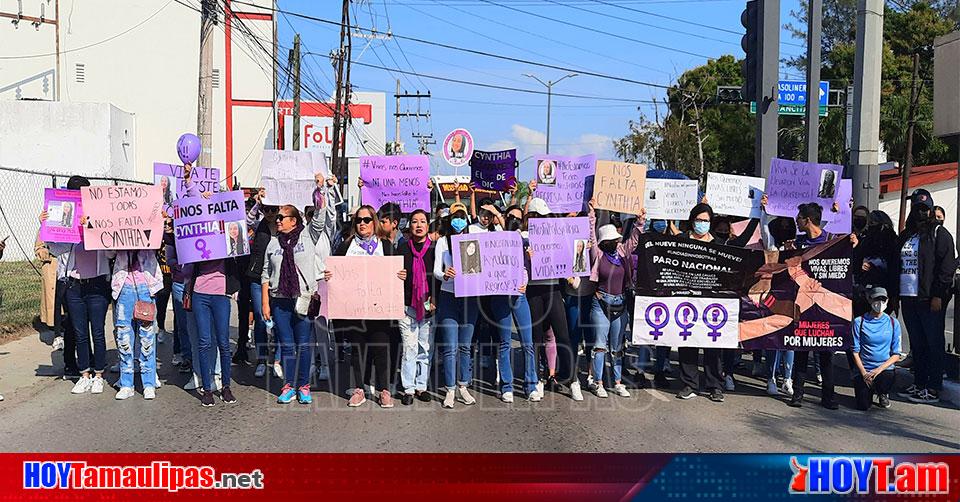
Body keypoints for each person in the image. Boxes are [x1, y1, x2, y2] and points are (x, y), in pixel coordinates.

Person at [41, 175, 111, 396]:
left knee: (97, 332)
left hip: (97, 284)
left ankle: (99, 374)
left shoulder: (100, 215)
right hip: (74, 285)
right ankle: (84, 374)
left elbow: (110, 251)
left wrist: (91, 228)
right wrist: (45, 224)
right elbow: (55, 249)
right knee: (80, 333)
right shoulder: (65, 215)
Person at [331, 205, 403, 408]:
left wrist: (401, 275)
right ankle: (359, 389)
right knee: (358, 349)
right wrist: (331, 274)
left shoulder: (385, 246)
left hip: (380, 310)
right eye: (358, 220)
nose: (362, 223)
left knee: (381, 348)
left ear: (375, 222)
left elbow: (396, 272)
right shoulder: (347, 246)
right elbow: (336, 269)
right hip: (355, 309)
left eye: (367, 220)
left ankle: (383, 390)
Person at [183, 168, 239, 407]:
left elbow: (239, 219)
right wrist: (189, 181)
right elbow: (193, 206)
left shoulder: (227, 231)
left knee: (223, 342)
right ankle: (207, 389)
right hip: (200, 292)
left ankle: (226, 386)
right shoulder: (198, 231)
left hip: (221, 293)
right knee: (205, 342)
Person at [262, 195, 326, 404]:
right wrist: (265, 302)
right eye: (277, 217)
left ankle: (304, 386)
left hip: (302, 299)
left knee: (304, 345)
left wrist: (320, 192)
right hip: (280, 300)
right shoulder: (272, 243)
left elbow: (319, 217)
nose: (278, 220)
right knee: (287, 345)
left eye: (282, 217)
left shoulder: (308, 237)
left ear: (294, 220)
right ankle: (288, 386)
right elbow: (265, 273)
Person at [896, 189, 956, 405]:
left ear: (930, 209)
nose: (921, 212)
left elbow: (947, 267)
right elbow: (897, 265)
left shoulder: (939, 234)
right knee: (918, 344)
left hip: (929, 298)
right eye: (917, 208)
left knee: (933, 343)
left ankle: (933, 386)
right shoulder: (907, 235)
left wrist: (938, 295)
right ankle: (919, 383)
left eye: (925, 208)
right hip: (908, 297)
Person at [587, 198, 643, 399]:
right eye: (611, 240)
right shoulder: (598, 254)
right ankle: (599, 382)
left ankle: (618, 382)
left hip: (620, 304)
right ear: (604, 242)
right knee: (600, 345)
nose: (615, 242)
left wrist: (640, 223)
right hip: (600, 303)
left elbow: (633, 241)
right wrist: (592, 215)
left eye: (616, 239)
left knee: (618, 347)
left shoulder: (621, 253)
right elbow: (591, 237)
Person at [786, 202, 839, 409]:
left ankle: (829, 396)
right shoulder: (798, 243)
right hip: (803, 302)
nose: (796, 221)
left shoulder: (832, 240)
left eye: (799, 217)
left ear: (807, 220)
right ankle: (798, 394)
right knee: (801, 348)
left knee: (826, 353)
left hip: (825, 303)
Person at [673, 203, 725, 403]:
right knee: (688, 341)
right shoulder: (682, 240)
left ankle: (714, 385)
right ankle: (690, 384)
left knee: (712, 343)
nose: (702, 224)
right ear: (692, 219)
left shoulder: (719, 244)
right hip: (687, 299)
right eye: (699, 220)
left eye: (706, 221)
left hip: (711, 301)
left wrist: (758, 216)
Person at [433, 203, 481, 408]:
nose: (459, 220)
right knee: (450, 347)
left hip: (470, 298)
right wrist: (445, 275)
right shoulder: (443, 242)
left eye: (462, 216)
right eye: (455, 216)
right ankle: (450, 389)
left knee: (465, 346)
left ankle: (463, 385)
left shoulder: (474, 240)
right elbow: (436, 270)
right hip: (448, 296)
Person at [107, 249, 162, 400]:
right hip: (123, 287)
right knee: (124, 337)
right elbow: (108, 254)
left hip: (146, 286)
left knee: (147, 338)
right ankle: (126, 384)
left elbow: (157, 243)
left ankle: (148, 383)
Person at [397, 209, 437, 405]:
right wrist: (398, 275)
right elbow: (393, 275)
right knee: (409, 348)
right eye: (414, 221)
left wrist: (435, 299)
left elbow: (438, 278)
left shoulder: (435, 249)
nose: (419, 225)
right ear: (409, 225)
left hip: (429, 306)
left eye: (422, 221)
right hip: (407, 306)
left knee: (425, 348)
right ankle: (408, 388)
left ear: (428, 225)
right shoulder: (402, 248)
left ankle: (422, 386)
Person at [245, 190, 284, 379]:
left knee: (278, 319)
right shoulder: (259, 225)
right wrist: (257, 202)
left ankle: (276, 359)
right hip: (258, 276)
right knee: (261, 317)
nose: (270, 213)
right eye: (266, 209)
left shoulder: (284, 226)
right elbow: (247, 219)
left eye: (273, 209)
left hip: (279, 278)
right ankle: (261, 359)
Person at [851, 287, 903, 410]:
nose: (879, 303)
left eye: (882, 299)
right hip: (864, 369)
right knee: (863, 406)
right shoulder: (859, 322)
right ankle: (867, 391)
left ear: (887, 301)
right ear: (869, 300)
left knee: (886, 378)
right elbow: (855, 351)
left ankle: (882, 393)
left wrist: (878, 370)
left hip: (883, 369)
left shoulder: (893, 323)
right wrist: (864, 373)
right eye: (876, 299)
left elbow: (896, 354)